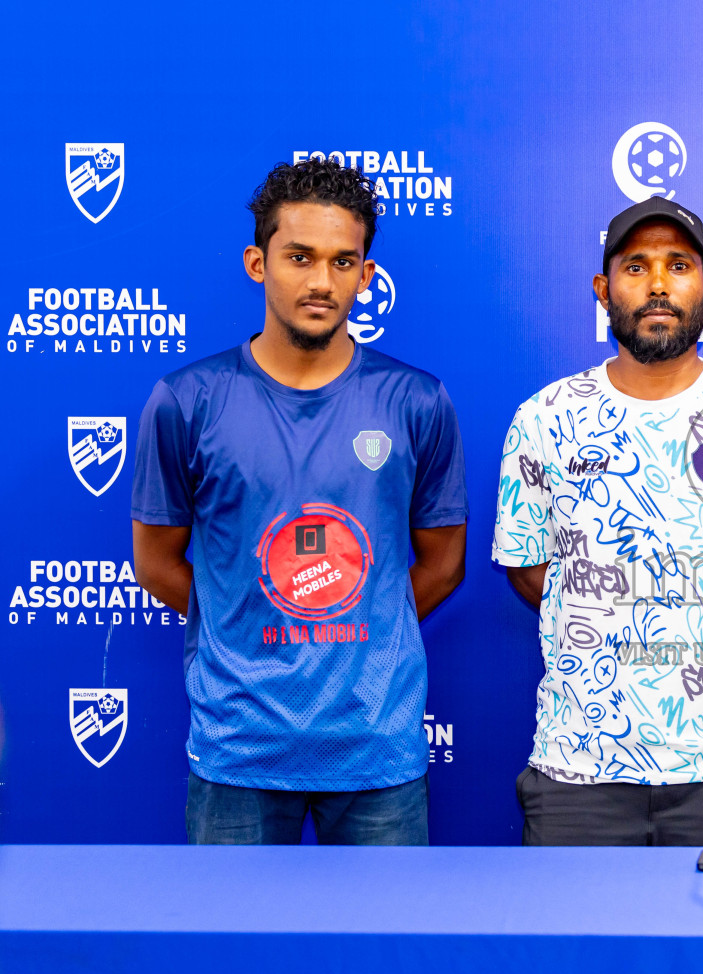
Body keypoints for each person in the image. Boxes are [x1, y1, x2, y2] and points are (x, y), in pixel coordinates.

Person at [132, 160, 467, 845]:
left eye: (344, 261)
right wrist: (244, 619)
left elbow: (442, 566)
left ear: (367, 275)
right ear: (259, 263)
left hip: (376, 748)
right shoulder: (187, 400)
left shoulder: (417, 401)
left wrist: (362, 626)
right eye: (299, 257)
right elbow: (156, 562)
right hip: (240, 749)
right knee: (235, 954)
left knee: (385, 952)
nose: (321, 281)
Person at [493, 196, 703, 846]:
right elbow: (532, 570)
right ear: (603, 289)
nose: (659, 283)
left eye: (679, 265)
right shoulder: (545, 418)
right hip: (578, 767)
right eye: (636, 267)